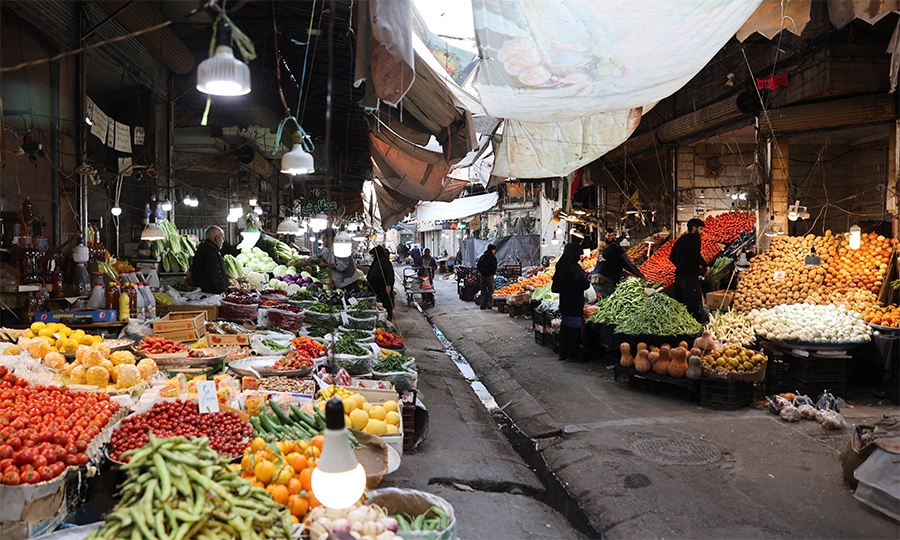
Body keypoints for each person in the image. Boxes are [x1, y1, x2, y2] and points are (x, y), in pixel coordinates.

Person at [552, 243, 591, 362]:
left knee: (565, 326)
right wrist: (587, 282)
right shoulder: (574, 267)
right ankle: (571, 355)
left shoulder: (560, 264)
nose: (579, 255)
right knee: (574, 327)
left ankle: (562, 353)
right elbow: (584, 284)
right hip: (574, 300)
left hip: (564, 299)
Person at [669, 218, 709, 324]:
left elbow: (672, 257)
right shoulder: (695, 238)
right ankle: (693, 326)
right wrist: (705, 265)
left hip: (679, 277)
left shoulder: (681, 239)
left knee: (680, 303)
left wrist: (681, 265)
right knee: (692, 304)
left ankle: (681, 325)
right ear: (694, 228)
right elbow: (696, 254)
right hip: (690, 278)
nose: (702, 232)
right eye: (701, 229)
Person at [591, 228, 645, 298]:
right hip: (604, 282)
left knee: (602, 302)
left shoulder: (606, 250)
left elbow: (609, 264)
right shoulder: (618, 251)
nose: (625, 249)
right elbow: (630, 266)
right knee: (607, 303)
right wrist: (642, 276)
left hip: (595, 279)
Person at [191, 226, 229, 294]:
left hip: (206, 291)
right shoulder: (210, 250)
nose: (223, 241)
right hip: (209, 292)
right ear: (217, 238)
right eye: (222, 238)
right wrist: (223, 290)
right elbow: (214, 273)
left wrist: (227, 287)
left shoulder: (206, 247)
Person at [367, 245, 395, 320]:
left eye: (373, 255)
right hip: (377, 290)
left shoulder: (385, 261)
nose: (373, 257)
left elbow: (390, 274)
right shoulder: (377, 261)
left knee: (385, 306)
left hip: (383, 290)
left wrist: (389, 285)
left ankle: (387, 321)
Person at [476, 244, 497, 310]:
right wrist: (492, 272)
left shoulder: (482, 257)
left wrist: (482, 272)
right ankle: (490, 304)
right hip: (490, 276)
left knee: (483, 290)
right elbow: (494, 267)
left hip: (483, 276)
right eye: (494, 250)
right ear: (492, 250)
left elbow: (478, 265)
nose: (494, 251)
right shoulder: (493, 258)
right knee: (491, 290)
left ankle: (483, 305)